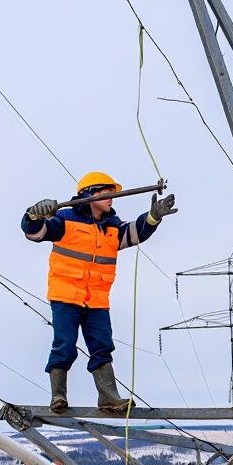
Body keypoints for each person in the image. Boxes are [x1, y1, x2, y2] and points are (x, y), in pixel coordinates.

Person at [21, 171, 177, 413]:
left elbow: (135, 232)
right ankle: (58, 397)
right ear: (87, 195)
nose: (112, 198)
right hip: (66, 296)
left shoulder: (112, 226)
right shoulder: (64, 219)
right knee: (64, 345)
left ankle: (109, 398)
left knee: (102, 346)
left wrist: (153, 218)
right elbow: (35, 233)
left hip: (96, 300)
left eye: (112, 194)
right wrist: (33, 215)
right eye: (106, 193)